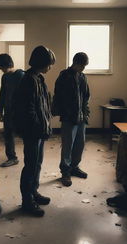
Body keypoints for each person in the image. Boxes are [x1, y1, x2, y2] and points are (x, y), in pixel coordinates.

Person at [16, 45, 55, 217]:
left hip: (39, 131)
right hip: (33, 132)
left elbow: (44, 105)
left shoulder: (39, 78)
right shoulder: (28, 80)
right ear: (41, 62)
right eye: (49, 64)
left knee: (37, 164)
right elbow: (28, 110)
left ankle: (34, 192)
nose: (50, 67)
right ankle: (27, 201)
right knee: (30, 166)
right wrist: (38, 128)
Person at [52, 52, 90, 187]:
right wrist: (61, 112)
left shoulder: (83, 77)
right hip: (69, 118)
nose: (83, 68)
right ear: (75, 63)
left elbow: (86, 96)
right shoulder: (64, 76)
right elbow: (57, 97)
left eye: (85, 66)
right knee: (67, 146)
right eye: (82, 65)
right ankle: (65, 172)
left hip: (81, 117)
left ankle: (74, 167)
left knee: (80, 145)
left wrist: (86, 114)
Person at [0, 53, 25, 167]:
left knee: (24, 134)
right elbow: (2, 94)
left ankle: (29, 157)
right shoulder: (5, 77)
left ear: (8, 65)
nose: (2, 70)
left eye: (2, 67)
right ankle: (12, 157)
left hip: (20, 112)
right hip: (8, 111)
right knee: (8, 134)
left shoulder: (21, 75)